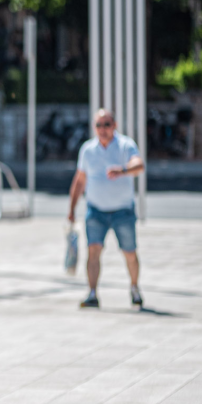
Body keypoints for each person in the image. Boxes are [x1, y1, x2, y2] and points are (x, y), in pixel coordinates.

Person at [68, 108, 145, 308]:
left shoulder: (125, 145)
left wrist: (123, 170)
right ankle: (92, 293)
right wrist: (72, 208)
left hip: (123, 210)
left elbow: (139, 165)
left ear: (114, 126)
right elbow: (80, 180)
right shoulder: (88, 149)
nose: (103, 129)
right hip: (96, 210)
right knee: (93, 251)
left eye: (107, 124)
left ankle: (134, 288)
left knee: (129, 252)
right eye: (99, 125)